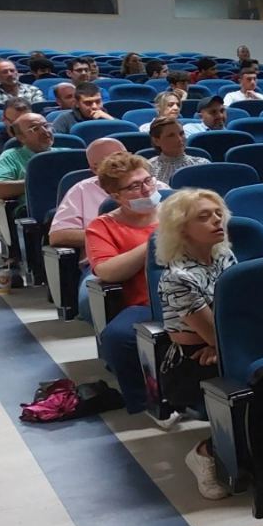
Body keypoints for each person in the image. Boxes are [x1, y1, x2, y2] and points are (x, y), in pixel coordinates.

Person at [153, 189, 236, 496]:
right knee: (259, 388)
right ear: (182, 229)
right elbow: (213, 333)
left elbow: (238, 311)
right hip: (190, 362)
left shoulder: (223, 256)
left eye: (218, 214)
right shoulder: (177, 277)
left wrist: (219, 345)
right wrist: (218, 344)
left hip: (222, 346)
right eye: (204, 216)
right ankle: (204, 454)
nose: (217, 220)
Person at [84, 154, 162, 415]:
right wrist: (153, 243)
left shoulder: (177, 213)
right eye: (134, 186)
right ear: (116, 196)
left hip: (192, 294)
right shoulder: (103, 226)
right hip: (145, 304)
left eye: (148, 180)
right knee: (117, 337)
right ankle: (146, 402)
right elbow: (106, 271)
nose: (146, 189)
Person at [0, 112, 55, 209]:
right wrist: (37, 183)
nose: (45, 131)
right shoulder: (11, 157)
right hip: (34, 213)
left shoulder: (67, 153)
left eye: (46, 126)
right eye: (35, 128)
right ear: (21, 138)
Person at [146, 117, 209, 185]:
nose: (179, 139)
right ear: (156, 141)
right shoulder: (147, 168)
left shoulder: (203, 164)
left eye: (181, 133)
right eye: (171, 135)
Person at [48, 82, 114, 131]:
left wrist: (111, 120)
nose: (95, 106)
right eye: (88, 103)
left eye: (98, 101)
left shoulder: (107, 116)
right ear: (77, 103)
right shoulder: (64, 119)